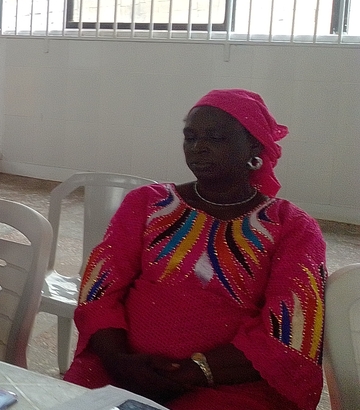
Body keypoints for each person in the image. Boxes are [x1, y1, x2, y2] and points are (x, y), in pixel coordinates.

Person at [64, 89, 325, 410]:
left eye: (215, 137)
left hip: (231, 387)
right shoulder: (147, 203)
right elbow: (99, 292)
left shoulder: (291, 226)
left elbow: (291, 329)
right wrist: (120, 362)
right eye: (190, 137)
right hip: (121, 370)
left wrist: (195, 372)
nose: (198, 147)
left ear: (255, 146)